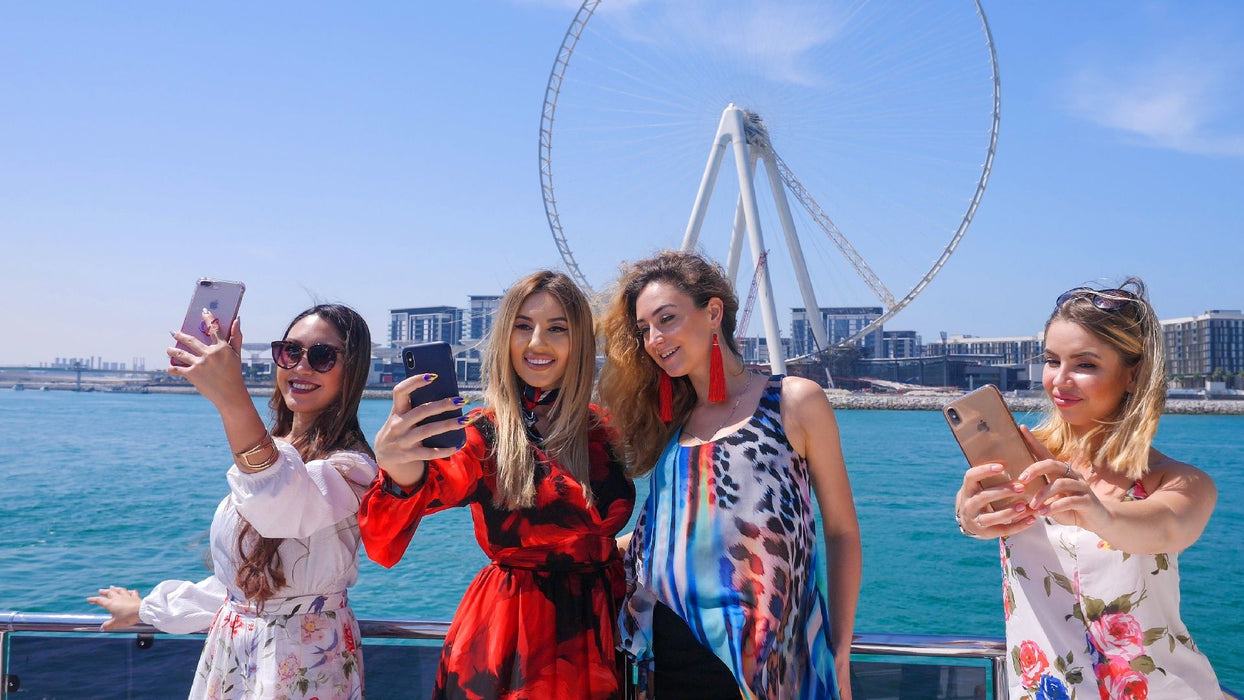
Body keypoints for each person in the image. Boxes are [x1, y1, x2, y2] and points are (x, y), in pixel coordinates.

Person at [358, 270, 635, 700]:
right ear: (505, 338)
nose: (537, 342)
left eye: (557, 328)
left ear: (580, 341)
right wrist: (399, 470)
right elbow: (383, 545)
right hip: (512, 640)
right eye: (523, 326)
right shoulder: (483, 434)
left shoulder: (607, 429)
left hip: (601, 631)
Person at [597, 250, 861, 700]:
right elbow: (659, 536)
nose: (655, 339)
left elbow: (841, 532)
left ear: (713, 312)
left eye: (666, 319)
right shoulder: (675, 423)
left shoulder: (793, 401)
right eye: (644, 329)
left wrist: (839, 647)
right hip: (668, 658)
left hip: (765, 663)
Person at [89, 303, 378, 699]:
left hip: (304, 661)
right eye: (290, 351)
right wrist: (150, 609)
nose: (301, 366)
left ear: (352, 371)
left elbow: (280, 507)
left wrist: (231, 395)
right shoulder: (276, 452)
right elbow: (244, 586)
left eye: (322, 356)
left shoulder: (352, 469)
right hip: (233, 654)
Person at [954, 279, 1223, 699]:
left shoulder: (1176, 481)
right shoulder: (1026, 460)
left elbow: (1168, 527)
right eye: (1051, 360)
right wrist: (970, 517)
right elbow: (977, 516)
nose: (1059, 381)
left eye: (1084, 364)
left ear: (1133, 375)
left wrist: (1098, 513)